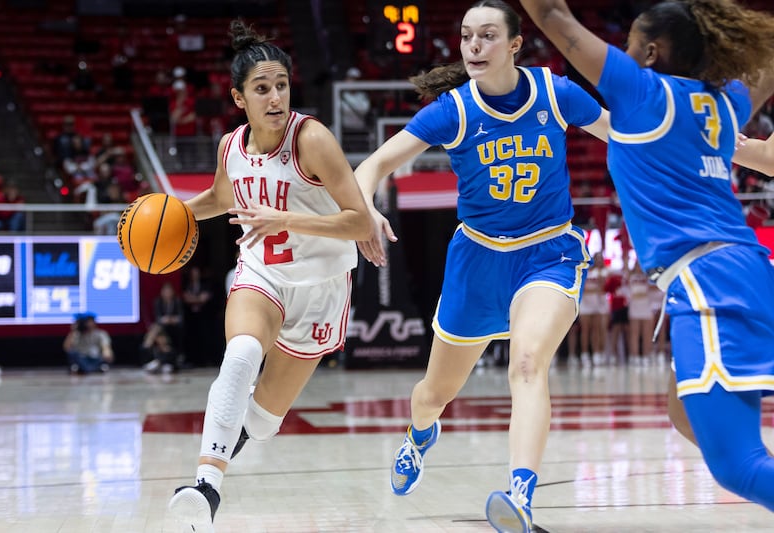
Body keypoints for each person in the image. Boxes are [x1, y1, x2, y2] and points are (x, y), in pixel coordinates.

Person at [354, 2, 608, 532]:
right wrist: (366, 212)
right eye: (467, 36)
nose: (474, 46)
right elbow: (374, 164)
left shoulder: (555, 93)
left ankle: (520, 495)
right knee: (432, 395)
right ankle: (419, 435)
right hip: (478, 258)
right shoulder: (453, 109)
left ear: (515, 44)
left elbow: (625, 138)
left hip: (548, 253)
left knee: (527, 365)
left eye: (488, 36)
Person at [520, 0, 774, 517]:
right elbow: (766, 65)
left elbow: (551, 15)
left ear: (652, 52)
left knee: (737, 466)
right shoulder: (724, 102)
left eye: (632, 42)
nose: (623, 51)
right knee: (682, 413)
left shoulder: (639, 91)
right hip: (739, 267)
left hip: (708, 279)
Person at [166, 19, 374, 533]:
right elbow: (221, 197)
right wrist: (173, 216)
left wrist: (286, 219)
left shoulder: (313, 139)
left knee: (262, 422)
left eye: (281, 85)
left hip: (322, 289)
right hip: (261, 273)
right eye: (262, 88)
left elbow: (359, 221)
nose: (275, 96)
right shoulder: (231, 147)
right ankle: (206, 484)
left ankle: (236, 433)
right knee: (240, 355)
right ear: (240, 98)